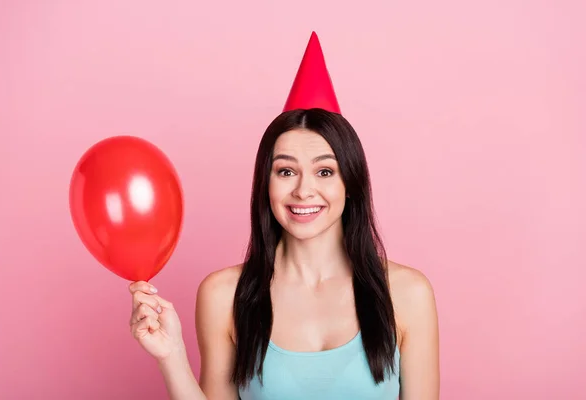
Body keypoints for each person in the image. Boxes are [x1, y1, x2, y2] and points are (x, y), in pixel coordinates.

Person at [128, 33, 440, 400]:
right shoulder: (223, 295)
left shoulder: (407, 294)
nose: (304, 191)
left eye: (325, 172)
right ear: (266, 183)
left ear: (351, 183)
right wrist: (171, 356)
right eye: (286, 171)